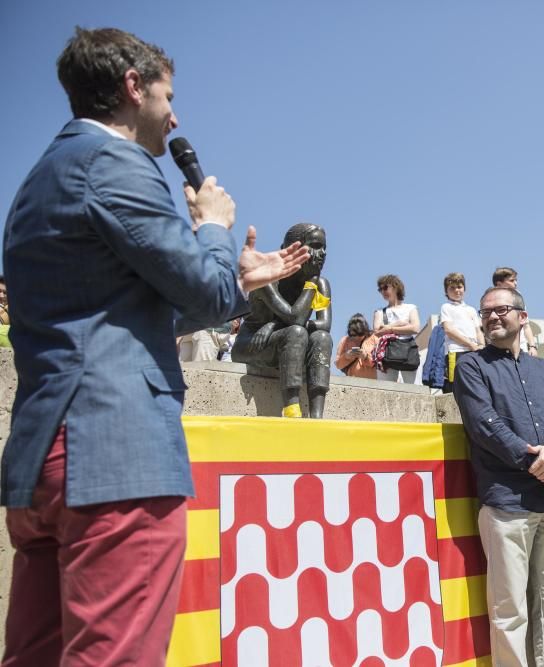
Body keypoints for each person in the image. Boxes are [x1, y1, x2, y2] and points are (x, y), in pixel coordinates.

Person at [0, 27, 308, 666]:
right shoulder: (114, 162)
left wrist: (235, 279)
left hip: (44, 463)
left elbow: (112, 323)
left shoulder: (40, 179)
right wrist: (214, 231)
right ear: (133, 87)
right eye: (169, 97)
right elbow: (200, 289)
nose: (175, 117)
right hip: (116, 457)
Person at [453, 286, 544, 666]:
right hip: (507, 505)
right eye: (485, 311)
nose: (492, 316)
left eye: (501, 309)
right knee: (510, 609)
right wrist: (541, 467)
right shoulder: (471, 367)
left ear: (523, 317)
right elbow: (485, 427)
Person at [231, 223, 333, 418]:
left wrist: (274, 325)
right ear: (293, 248)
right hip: (252, 343)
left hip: (286, 339)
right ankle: (292, 410)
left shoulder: (320, 283)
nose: (322, 253)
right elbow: (295, 317)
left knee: (322, 338)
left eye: (324, 247)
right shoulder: (270, 279)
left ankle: (317, 415)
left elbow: (324, 325)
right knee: (296, 332)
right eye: (315, 245)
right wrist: (311, 283)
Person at [372, 274, 421, 384]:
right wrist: (401, 324)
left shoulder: (410, 308)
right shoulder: (379, 312)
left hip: (408, 350)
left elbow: (415, 328)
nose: (383, 291)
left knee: (414, 388)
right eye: (380, 289)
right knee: (386, 390)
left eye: (385, 287)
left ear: (396, 287)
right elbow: (377, 331)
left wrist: (389, 328)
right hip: (386, 352)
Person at [440, 272, 483, 393]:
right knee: (456, 385)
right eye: (452, 288)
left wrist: (482, 346)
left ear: (464, 288)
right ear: (446, 291)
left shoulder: (471, 309)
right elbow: (449, 330)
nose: (456, 290)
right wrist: (471, 344)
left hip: (475, 351)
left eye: (459, 287)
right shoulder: (446, 307)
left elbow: (478, 331)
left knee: (476, 383)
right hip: (456, 351)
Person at [492, 266, 538, 355]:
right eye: (512, 281)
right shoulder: (490, 299)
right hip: (499, 350)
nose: (516, 283)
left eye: (516, 280)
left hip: (521, 348)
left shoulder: (518, 298)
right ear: (499, 284)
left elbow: (526, 325)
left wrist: (532, 346)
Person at [334, 313, 377, 379]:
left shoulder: (374, 339)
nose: (356, 338)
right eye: (353, 335)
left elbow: (380, 363)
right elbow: (338, 365)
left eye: (359, 335)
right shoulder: (345, 340)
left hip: (372, 382)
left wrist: (366, 357)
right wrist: (346, 356)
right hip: (352, 382)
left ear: (365, 330)